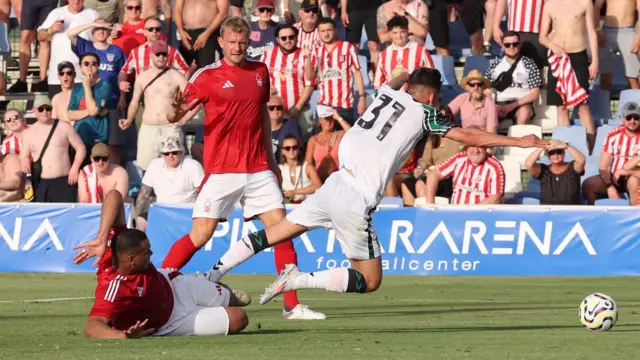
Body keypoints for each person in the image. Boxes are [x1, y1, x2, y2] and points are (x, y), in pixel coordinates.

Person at [199, 68, 547, 306]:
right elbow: (467, 135)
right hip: (357, 197)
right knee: (369, 280)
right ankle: (295, 280)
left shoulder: (384, 94)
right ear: (433, 96)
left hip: (335, 182)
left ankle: (212, 274)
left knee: (275, 232)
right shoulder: (426, 112)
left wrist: (404, 76)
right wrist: (518, 142)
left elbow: (397, 79)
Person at [165, 17, 326, 320]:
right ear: (221, 43)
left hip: (258, 168)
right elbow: (179, 113)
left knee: (282, 233)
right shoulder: (206, 75)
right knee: (200, 235)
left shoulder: (260, 71)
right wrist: (174, 107)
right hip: (222, 170)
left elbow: (262, 117)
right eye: (232, 42)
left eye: (242, 42)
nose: (238, 47)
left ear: (248, 42)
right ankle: (160, 282)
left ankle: (291, 305)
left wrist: (272, 160)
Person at [72, 190, 250, 338]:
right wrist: (122, 335)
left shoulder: (117, 244)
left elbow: (114, 195)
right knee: (239, 319)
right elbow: (92, 326)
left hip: (174, 285)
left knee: (237, 299)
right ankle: (211, 290)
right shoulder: (113, 288)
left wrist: (102, 238)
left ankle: (216, 289)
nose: (151, 254)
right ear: (131, 260)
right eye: (146, 252)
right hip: (171, 322)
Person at [119, 40, 189, 171]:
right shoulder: (143, 77)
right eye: (158, 54)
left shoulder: (176, 76)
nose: (161, 57)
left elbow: (194, 99)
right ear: (151, 55)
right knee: (147, 170)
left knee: (175, 168)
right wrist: (128, 120)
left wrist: (184, 119)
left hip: (171, 127)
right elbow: (134, 101)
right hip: (149, 128)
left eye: (164, 54)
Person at [539, 0, 598, 150]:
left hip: (578, 56)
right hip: (558, 58)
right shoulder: (550, 5)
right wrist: (553, 46)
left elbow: (591, 31)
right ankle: (564, 147)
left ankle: (592, 148)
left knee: (583, 105)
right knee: (561, 107)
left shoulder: (585, 3)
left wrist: (595, 60)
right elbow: (542, 37)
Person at [69, 19, 128, 164]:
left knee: (112, 145)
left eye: (104, 28)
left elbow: (122, 72)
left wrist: (122, 97)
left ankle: (113, 174)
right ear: (92, 31)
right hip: (89, 101)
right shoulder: (86, 47)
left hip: (112, 101)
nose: (101, 31)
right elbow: (70, 34)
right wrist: (91, 24)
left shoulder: (116, 50)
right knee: (88, 144)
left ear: (109, 31)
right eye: (97, 29)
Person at [21, 96, 86, 203]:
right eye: (41, 109)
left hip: (64, 181)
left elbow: (81, 147)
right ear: (34, 110)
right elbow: (24, 154)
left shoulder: (64, 127)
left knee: (66, 217)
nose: (45, 112)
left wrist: (75, 167)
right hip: (41, 183)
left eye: (48, 109)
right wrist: (24, 159)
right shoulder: (29, 133)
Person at [135, 136, 204, 231]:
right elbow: (143, 195)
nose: (170, 156)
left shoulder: (193, 165)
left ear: (181, 153)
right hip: (161, 211)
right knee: (139, 222)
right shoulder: (154, 165)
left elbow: (203, 192)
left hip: (186, 212)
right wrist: (136, 216)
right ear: (162, 155)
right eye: (167, 153)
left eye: (174, 152)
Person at [307, 17, 367, 124]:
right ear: (318, 33)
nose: (326, 34)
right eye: (323, 31)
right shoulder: (316, 51)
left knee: (344, 139)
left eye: (329, 30)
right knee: (324, 140)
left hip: (344, 104)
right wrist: (308, 57)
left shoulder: (347, 47)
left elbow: (357, 73)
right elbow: (309, 77)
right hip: (324, 105)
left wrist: (362, 97)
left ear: (335, 31)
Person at [37, 0, 100, 99]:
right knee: (58, 112)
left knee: (82, 113)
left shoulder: (93, 15)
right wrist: (51, 29)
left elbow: (100, 42)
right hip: (58, 77)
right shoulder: (56, 13)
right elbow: (40, 36)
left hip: (83, 77)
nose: (76, 1)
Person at [261, 24, 315, 138]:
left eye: (291, 37)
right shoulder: (267, 55)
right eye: (284, 38)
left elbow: (310, 84)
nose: (288, 41)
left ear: (296, 37)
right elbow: (261, 81)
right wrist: (266, 91)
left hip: (300, 111)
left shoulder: (304, 55)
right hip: (274, 112)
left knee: (301, 145)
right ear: (277, 39)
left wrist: (297, 108)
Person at [582, 102, 640, 205]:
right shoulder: (613, 135)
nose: (632, 121)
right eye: (629, 117)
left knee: (634, 182)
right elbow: (603, 167)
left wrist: (627, 172)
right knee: (588, 184)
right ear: (622, 118)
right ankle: (595, 217)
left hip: (635, 177)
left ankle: (634, 218)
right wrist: (609, 186)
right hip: (614, 177)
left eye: (636, 117)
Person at [118, 17, 191, 94]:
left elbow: (186, 70)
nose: (154, 31)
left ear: (161, 31)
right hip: (142, 96)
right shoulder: (136, 51)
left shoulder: (171, 51)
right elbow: (124, 71)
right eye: (150, 29)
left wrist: (181, 89)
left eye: (158, 29)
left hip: (165, 97)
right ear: (144, 32)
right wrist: (121, 82)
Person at [485, 31, 542, 125]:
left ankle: (518, 139)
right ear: (503, 46)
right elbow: (486, 89)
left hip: (521, 104)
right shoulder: (495, 65)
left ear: (519, 44)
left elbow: (534, 95)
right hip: (500, 103)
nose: (511, 47)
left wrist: (512, 106)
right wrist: (493, 105)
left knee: (524, 113)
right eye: (507, 45)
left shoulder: (530, 64)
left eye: (515, 44)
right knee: (488, 112)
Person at [426, 144, 505, 205]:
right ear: (466, 146)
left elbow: (495, 198)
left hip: (483, 215)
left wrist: (468, 212)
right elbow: (433, 175)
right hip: (455, 213)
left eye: (480, 146)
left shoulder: (494, 166)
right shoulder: (458, 158)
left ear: (486, 147)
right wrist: (430, 204)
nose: (476, 150)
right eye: (472, 146)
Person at [67, 52, 112, 152]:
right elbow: (70, 115)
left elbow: (93, 112)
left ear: (98, 65)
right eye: (86, 63)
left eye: (93, 63)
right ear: (81, 67)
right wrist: (92, 111)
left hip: (98, 139)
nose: (90, 66)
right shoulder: (77, 88)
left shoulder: (104, 86)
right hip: (78, 138)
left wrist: (87, 87)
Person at [374, 15, 433, 89]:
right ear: (390, 34)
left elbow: (431, 77)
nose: (399, 36)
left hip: (413, 96)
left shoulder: (421, 51)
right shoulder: (383, 55)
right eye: (395, 33)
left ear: (408, 31)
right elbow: (378, 82)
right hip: (392, 97)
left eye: (402, 32)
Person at [594, 0, 640, 93]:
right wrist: (598, 29)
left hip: (628, 32)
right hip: (607, 33)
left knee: (632, 78)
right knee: (605, 78)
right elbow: (596, 7)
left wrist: (639, 36)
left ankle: (637, 104)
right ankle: (604, 107)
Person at [404, 134, 462, 206]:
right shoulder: (432, 139)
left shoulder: (457, 138)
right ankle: (411, 213)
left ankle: (427, 211)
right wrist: (420, 168)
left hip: (448, 173)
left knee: (421, 184)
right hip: (432, 172)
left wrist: (436, 169)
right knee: (407, 183)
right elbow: (425, 160)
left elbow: (459, 159)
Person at [15, 0, 58, 93]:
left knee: (44, 39)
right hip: (30, 2)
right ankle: (21, 81)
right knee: (25, 37)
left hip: (49, 2)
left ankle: (43, 80)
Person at [525, 140, 585, 205]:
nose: (555, 154)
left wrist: (567, 146)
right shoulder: (543, 170)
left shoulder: (572, 168)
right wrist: (542, 147)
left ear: (564, 154)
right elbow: (529, 164)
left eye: (559, 152)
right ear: (548, 156)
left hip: (570, 210)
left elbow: (581, 161)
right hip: (548, 210)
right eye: (552, 152)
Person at [493, 0, 547, 70]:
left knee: (537, 69)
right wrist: (495, 26)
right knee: (512, 68)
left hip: (537, 32)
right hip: (514, 32)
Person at [174, 0, 228, 69]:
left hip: (209, 35)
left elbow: (223, 13)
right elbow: (177, 8)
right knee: (185, 71)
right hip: (187, 35)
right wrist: (181, 31)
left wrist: (207, 34)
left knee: (208, 71)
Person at [305, 105, 350, 183]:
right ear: (320, 120)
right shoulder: (313, 140)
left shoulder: (340, 134)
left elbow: (351, 133)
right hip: (320, 180)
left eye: (331, 118)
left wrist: (338, 117)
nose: (329, 122)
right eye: (326, 119)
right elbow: (308, 163)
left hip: (338, 180)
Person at [280, 134, 321, 203]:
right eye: (287, 148)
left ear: (299, 149)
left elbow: (318, 186)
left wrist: (296, 192)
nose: (291, 150)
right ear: (282, 151)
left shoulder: (308, 167)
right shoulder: (279, 169)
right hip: (287, 206)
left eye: (295, 147)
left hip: (307, 205)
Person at [341, 0, 381, 65]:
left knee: (374, 44)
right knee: (353, 46)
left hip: (374, 8)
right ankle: (355, 71)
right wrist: (343, 11)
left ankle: (376, 73)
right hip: (353, 9)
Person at [269, 94, 302, 162]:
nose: (275, 109)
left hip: (285, 166)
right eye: (271, 108)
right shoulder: (260, 127)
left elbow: (295, 150)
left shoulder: (292, 124)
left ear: (283, 110)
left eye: (279, 107)